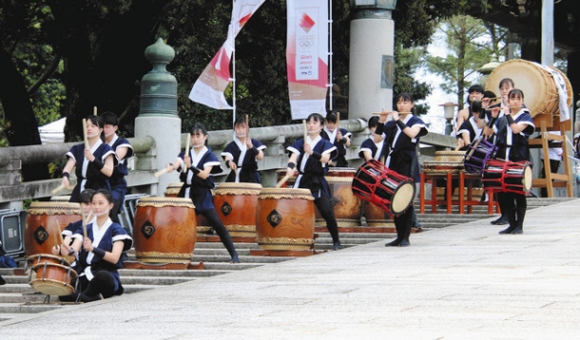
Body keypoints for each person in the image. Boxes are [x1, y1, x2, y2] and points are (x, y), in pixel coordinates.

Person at [165, 124, 240, 263]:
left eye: (198, 136)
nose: (195, 139)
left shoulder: (209, 155)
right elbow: (177, 163)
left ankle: (234, 254)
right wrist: (171, 166)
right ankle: (171, 252)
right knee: (175, 223)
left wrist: (191, 166)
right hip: (186, 193)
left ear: (205, 137)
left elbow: (205, 175)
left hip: (202, 194)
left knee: (217, 223)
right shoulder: (186, 154)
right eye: (192, 136)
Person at [59, 189, 133, 302]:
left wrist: (93, 249)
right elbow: (74, 248)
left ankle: (83, 297)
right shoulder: (85, 228)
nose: (96, 207)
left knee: (103, 276)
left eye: (100, 203)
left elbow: (114, 258)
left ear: (111, 205)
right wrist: (66, 251)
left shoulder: (117, 230)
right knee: (63, 293)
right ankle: (92, 297)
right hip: (85, 274)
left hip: (105, 276)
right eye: (93, 203)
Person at [376, 93, 428, 247]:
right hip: (394, 162)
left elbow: (411, 133)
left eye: (405, 102)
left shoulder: (416, 121)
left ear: (412, 104)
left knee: (406, 199)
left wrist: (398, 120)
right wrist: (381, 121)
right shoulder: (392, 124)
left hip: (407, 162)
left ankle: (406, 236)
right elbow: (377, 139)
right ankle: (399, 236)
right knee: (394, 198)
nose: (401, 105)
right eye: (399, 103)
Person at [286, 113, 342, 250]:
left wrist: (311, 152)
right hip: (302, 180)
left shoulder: (325, 143)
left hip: (317, 180)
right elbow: (293, 157)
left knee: (326, 211)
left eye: (314, 123)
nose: (311, 125)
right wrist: (290, 167)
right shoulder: (301, 142)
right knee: (294, 210)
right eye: (309, 123)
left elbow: (325, 158)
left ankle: (336, 241)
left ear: (321, 126)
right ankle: (294, 239)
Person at [489, 89, 534, 235]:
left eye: (518, 99)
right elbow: (489, 133)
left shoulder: (525, 117)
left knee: (518, 190)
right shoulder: (503, 118)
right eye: (512, 99)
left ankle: (519, 225)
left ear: (522, 100)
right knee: (503, 191)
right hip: (502, 156)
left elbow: (516, 130)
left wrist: (507, 114)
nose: (515, 101)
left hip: (518, 156)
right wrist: (493, 118)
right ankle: (511, 223)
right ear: (507, 101)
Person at [61, 115, 116, 203]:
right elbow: (68, 167)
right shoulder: (77, 148)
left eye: (93, 126)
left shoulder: (106, 149)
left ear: (101, 130)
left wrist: (93, 159)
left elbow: (109, 172)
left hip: (99, 190)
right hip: (80, 189)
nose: (89, 128)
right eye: (87, 126)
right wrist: (65, 177)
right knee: (73, 214)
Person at [484, 78, 516, 225]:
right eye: (502, 88)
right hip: (498, 149)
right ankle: (503, 213)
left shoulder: (518, 107)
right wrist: (491, 116)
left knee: (511, 183)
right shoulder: (495, 108)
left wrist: (508, 110)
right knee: (498, 182)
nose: (504, 91)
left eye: (507, 88)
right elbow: (487, 132)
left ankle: (512, 215)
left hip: (513, 150)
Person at [101, 111, 133, 223]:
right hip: (99, 184)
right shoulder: (96, 144)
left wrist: (94, 157)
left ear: (115, 128)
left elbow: (115, 158)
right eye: (101, 127)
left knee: (109, 213)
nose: (104, 130)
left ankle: (118, 237)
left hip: (116, 186)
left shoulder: (123, 144)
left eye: (107, 127)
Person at [221, 116, 266, 183]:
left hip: (252, 176)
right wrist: (230, 162)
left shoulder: (254, 143)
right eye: (238, 128)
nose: (240, 130)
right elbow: (227, 158)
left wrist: (251, 147)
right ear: (234, 129)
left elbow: (261, 156)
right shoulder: (231, 146)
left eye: (243, 127)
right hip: (236, 175)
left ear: (247, 129)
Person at [52, 189, 95, 258]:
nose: (83, 207)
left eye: (87, 204)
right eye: (81, 204)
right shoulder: (74, 226)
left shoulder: (104, 225)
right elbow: (67, 244)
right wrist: (60, 249)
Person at [539, 131, 563, 197]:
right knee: (548, 176)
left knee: (546, 175)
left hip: (548, 154)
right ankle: (545, 195)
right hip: (553, 155)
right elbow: (553, 139)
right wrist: (560, 152)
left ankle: (545, 195)